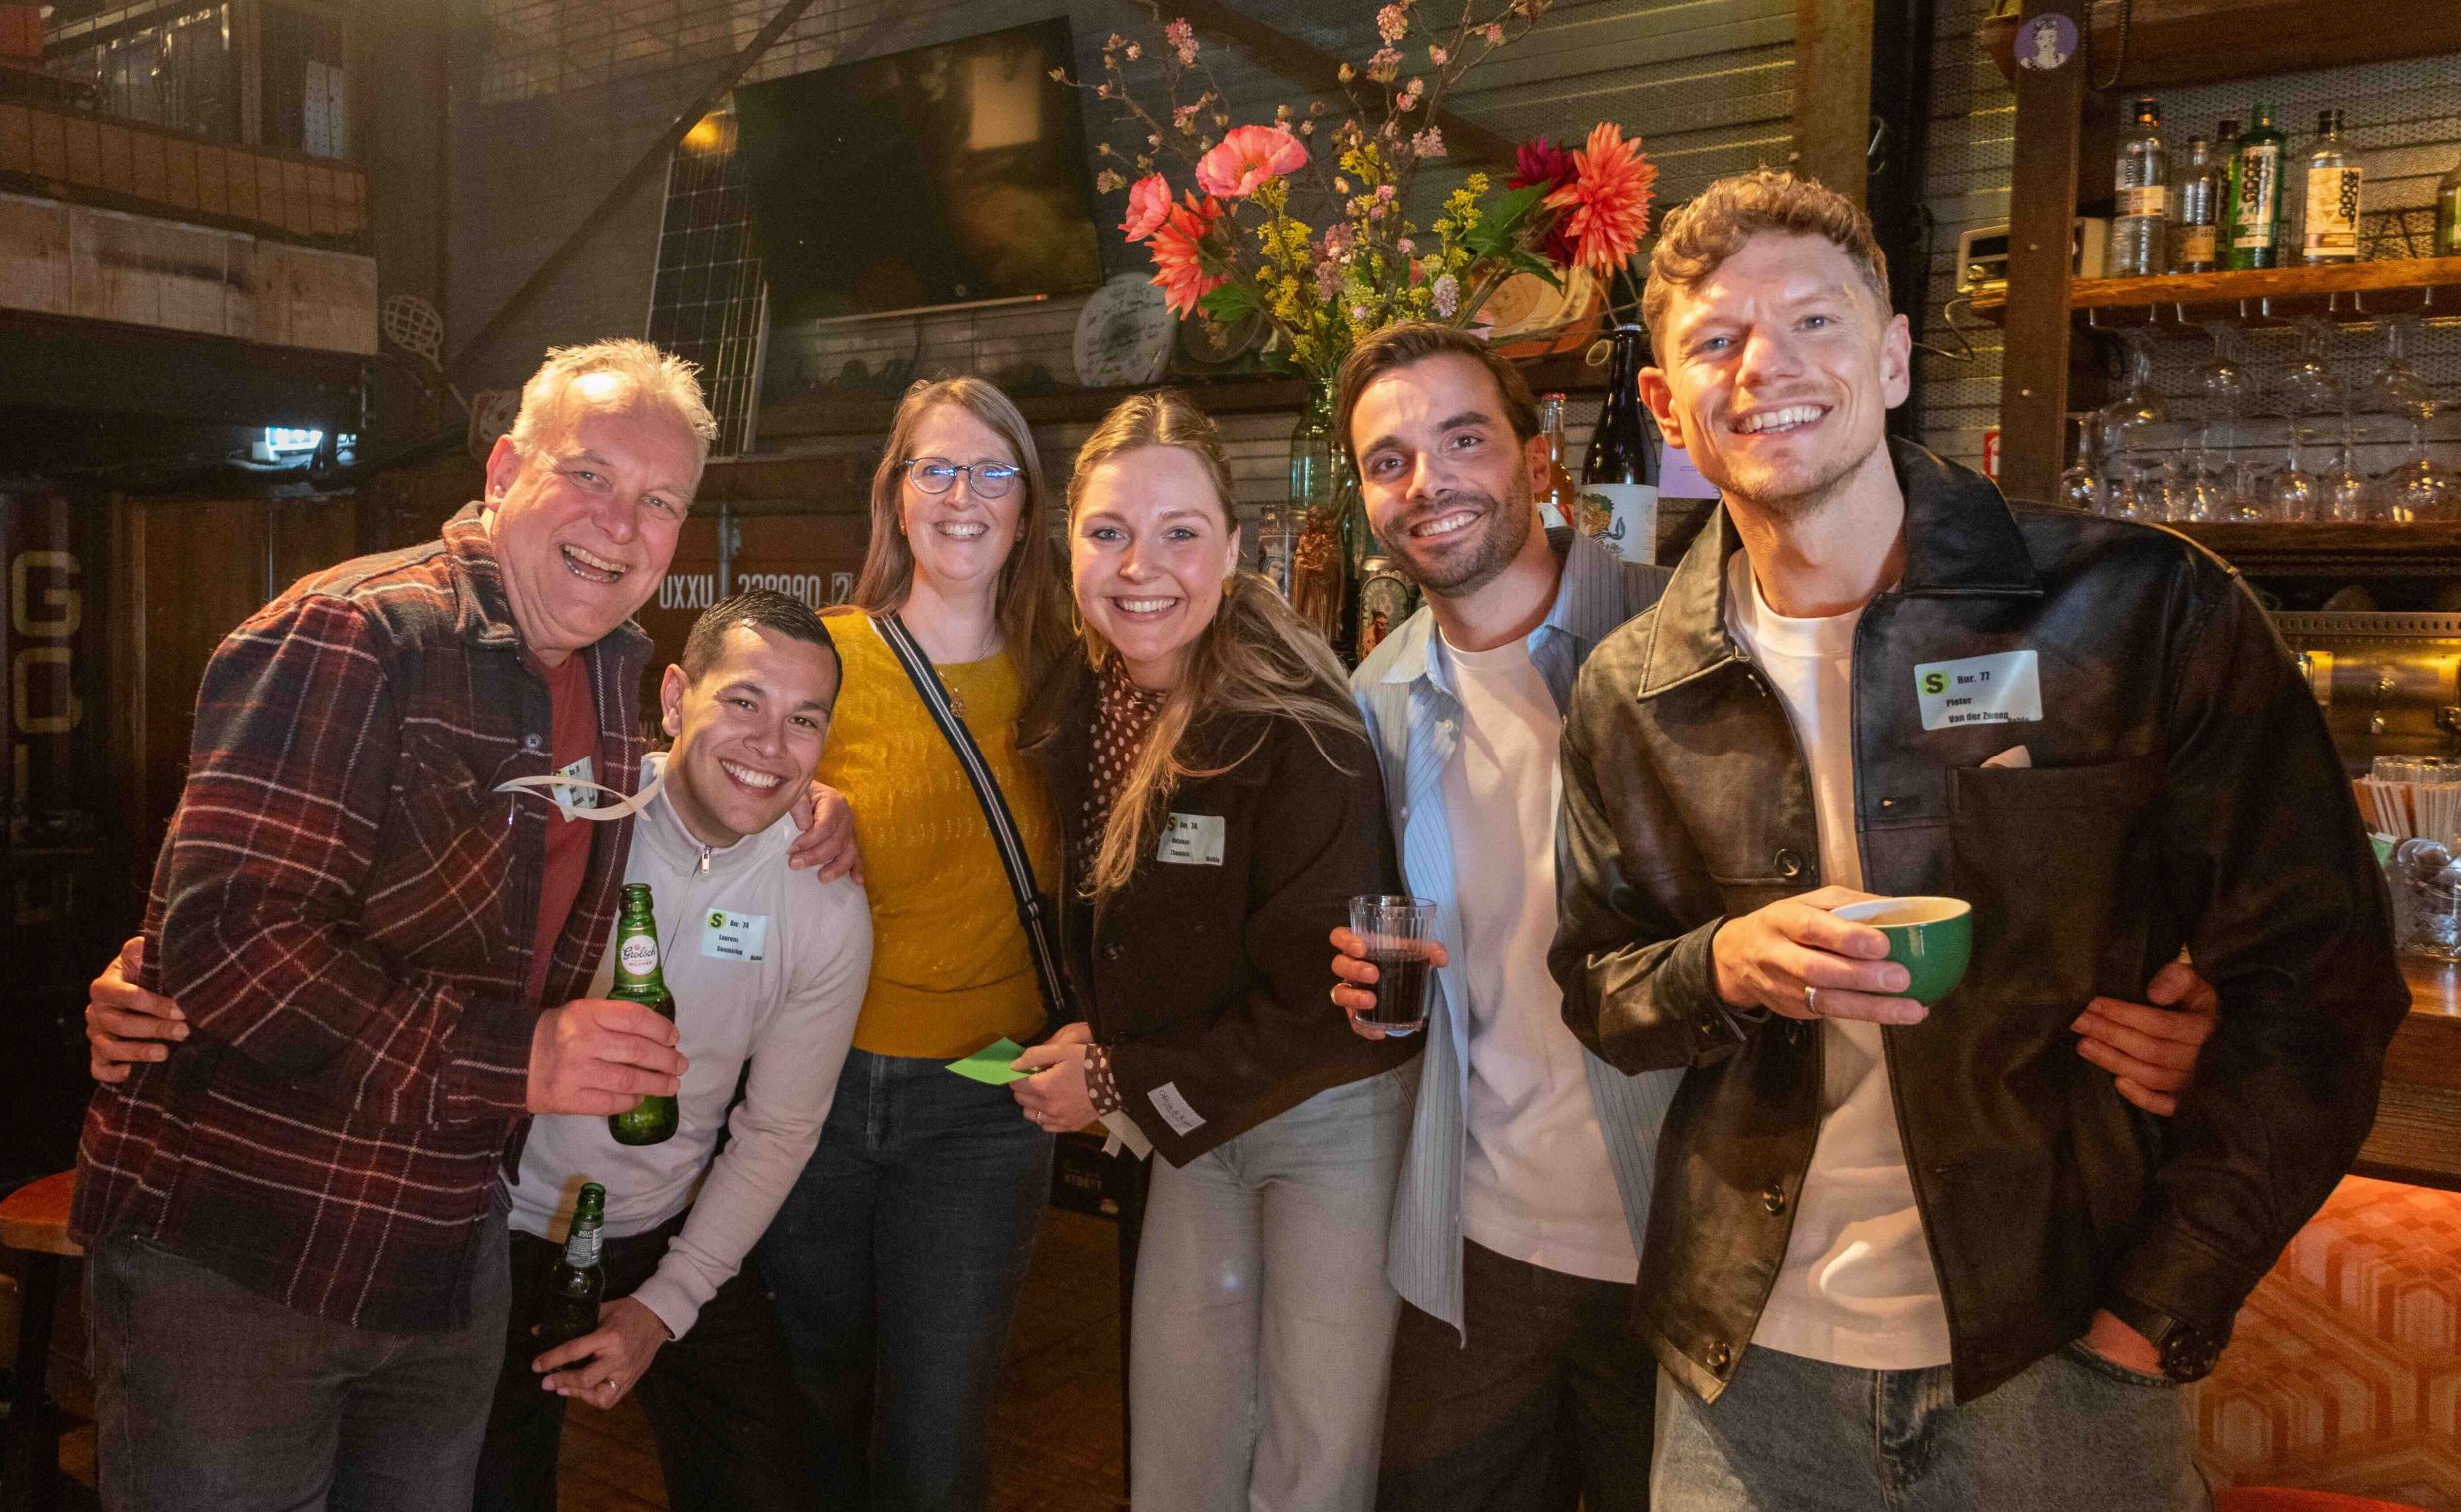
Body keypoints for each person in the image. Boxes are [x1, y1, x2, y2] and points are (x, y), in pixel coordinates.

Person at [1548, 170, 2406, 1510]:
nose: (1767, 365)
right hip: (1742, 1375)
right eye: (1715, 340)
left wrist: (2148, 1318)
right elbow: (1606, 988)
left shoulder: (2137, 608)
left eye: (1818, 322)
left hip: (2054, 1358)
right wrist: (1724, 961)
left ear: (1892, 358)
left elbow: (2325, 984)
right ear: (1668, 407)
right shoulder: (1634, 683)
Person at [1320, 319, 2223, 1512]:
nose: (1426, 482)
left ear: (1538, 459)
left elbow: (2000, 852)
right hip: (1480, 1229)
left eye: (1462, 438)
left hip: (1700, 1247)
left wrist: (2182, 974)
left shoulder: (1691, 648)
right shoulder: (1373, 695)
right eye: (1388, 461)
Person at [68, 339, 716, 1512]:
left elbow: (711, 805)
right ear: (507, 465)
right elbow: (233, 940)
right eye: (590, 475)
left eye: (659, 501)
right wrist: (513, 1058)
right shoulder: (356, 630)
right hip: (245, 1255)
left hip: (444, 1258)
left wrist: (813, 815)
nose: (620, 525)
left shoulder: (617, 674)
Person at [85, 588, 874, 1511]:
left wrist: (665, 1306)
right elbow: (326, 920)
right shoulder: (574, 818)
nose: (770, 744)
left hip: (665, 1231)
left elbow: (780, 1127)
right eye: (744, 700)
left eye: (803, 720)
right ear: (672, 697)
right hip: (483, 1227)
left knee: (776, 1486)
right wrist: (159, 972)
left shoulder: (823, 898)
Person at [1009, 391, 1419, 1512]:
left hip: (1322, 1116)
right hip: (1191, 1111)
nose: (1142, 565)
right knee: (1183, 1444)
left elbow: (1329, 1004)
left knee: (1309, 1454)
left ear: (1235, 547)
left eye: (1180, 532)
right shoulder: (1080, 698)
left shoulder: (1297, 726)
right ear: (1071, 547)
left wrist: (1112, 1079)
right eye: (1109, 532)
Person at [755, 376, 1073, 1512]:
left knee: (935, 1436)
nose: (962, 495)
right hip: (815, 1085)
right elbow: (703, 773)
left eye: (993, 471)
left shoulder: (1072, 671)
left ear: (1030, 510)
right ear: (894, 498)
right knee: (816, 1404)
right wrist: (794, 804)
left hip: (986, 1094)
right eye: (933, 468)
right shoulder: (822, 660)